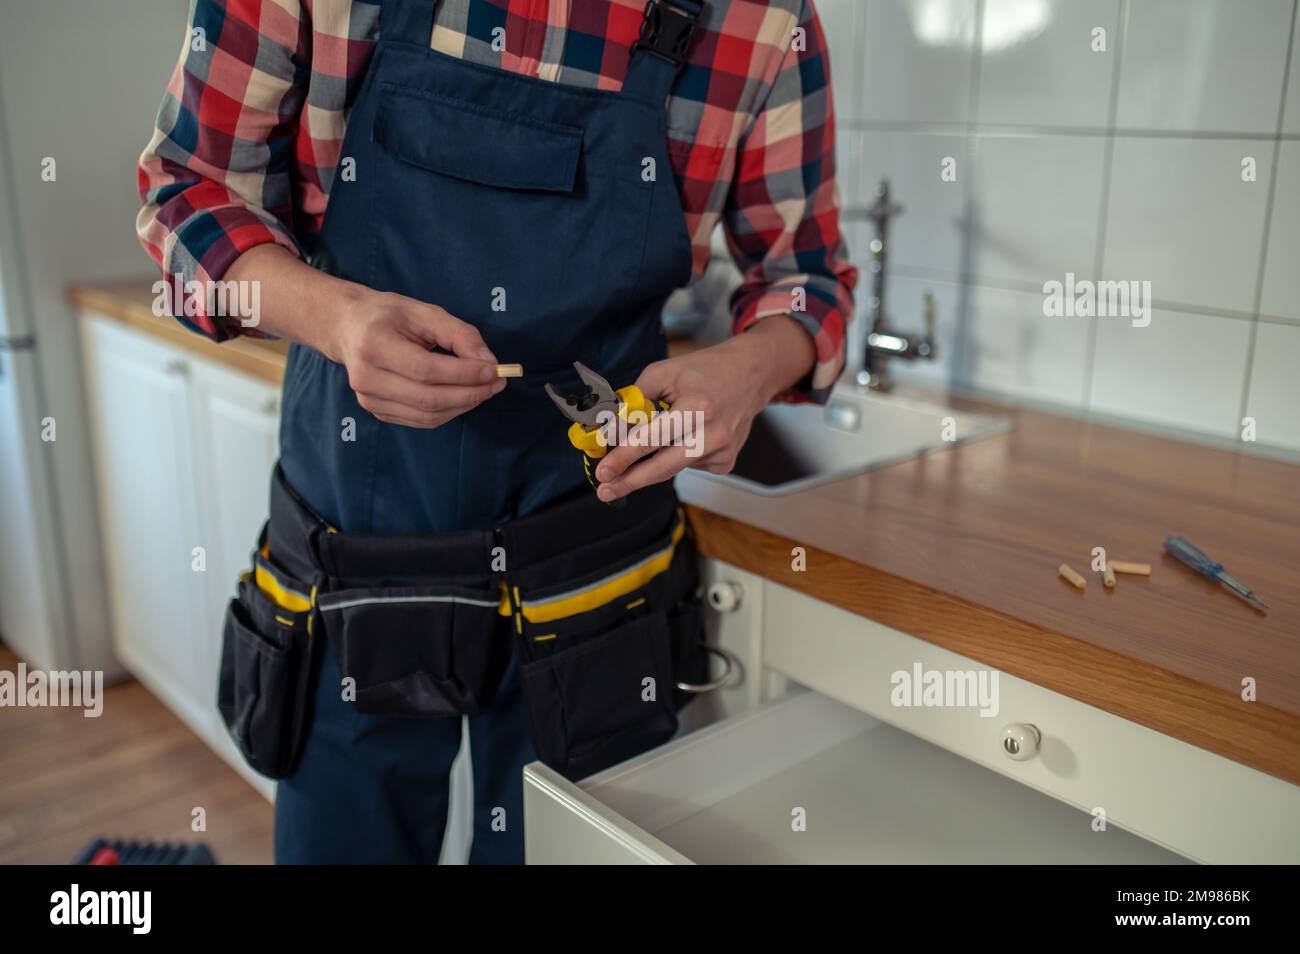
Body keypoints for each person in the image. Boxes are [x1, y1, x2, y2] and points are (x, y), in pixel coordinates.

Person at [137, 0, 856, 865]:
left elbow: (806, 278)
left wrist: (750, 370)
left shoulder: (764, 17)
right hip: (355, 562)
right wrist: (337, 319)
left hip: (596, 582)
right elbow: (185, 198)